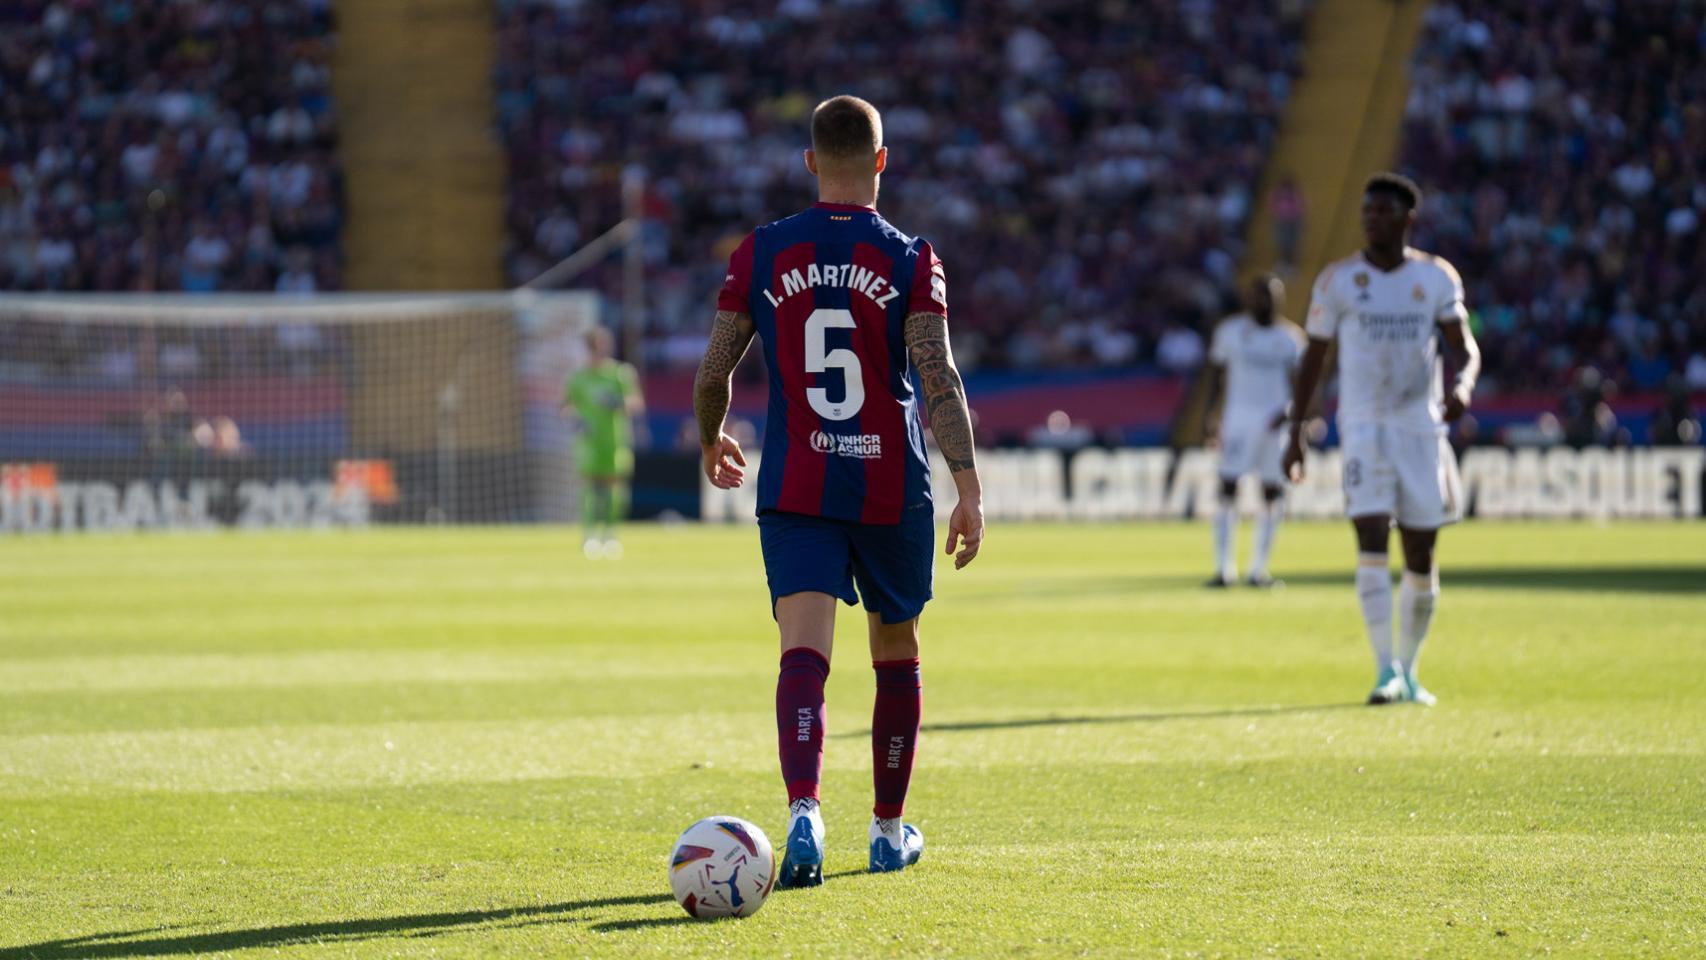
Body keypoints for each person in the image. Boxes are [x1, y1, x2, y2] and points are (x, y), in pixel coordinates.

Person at [693, 95, 984, 884]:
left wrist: (709, 433)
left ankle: (804, 813)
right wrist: (969, 485)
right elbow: (938, 375)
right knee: (896, 651)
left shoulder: (761, 252)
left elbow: (715, 367)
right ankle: (887, 831)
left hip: (798, 484)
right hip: (891, 486)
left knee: (803, 654)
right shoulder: (912, 258)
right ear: (882, 161)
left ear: (811, 162)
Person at [1284, 172, 1480, 707]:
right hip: (1364, 427)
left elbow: (1465, 348)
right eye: (1366, 211)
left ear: (1406, 219)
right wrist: (1296, 432)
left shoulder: (1436, 279)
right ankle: (1383, 671)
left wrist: (1461, 386)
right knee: (1370, 535)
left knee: (1421, 550)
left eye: (1382, 212)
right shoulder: (1338, 280)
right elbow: (1314, 362)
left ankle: (1411, 670)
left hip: (1419, 427)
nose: (1371, 219)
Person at [1202, 273, 1303, 587]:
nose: (1264, 302)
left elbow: (1302, 387)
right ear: (1248, 299)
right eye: (1259, 296)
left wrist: (1291, 415)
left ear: (1280, 299)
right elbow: (1217, 376)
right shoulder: (1230, 332)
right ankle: (1224, 569)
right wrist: (1210, 415)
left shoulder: (1291, 339)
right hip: (1238, 421)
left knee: (1272, 492)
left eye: (1270, 296)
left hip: (1275, 424)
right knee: (1228, 488)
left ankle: (1259, 570)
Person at [564, 327, 643, 557]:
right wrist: (575, 419)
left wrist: (617, 402)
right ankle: (588, 536)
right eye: (593, 348)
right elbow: (565, 406)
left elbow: (636, 404)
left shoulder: (620, 373)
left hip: (615, 441)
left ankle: (610, 535)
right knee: (588, 489)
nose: (597, 352)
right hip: (588, 442)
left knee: (613, 492)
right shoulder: (578, 377)